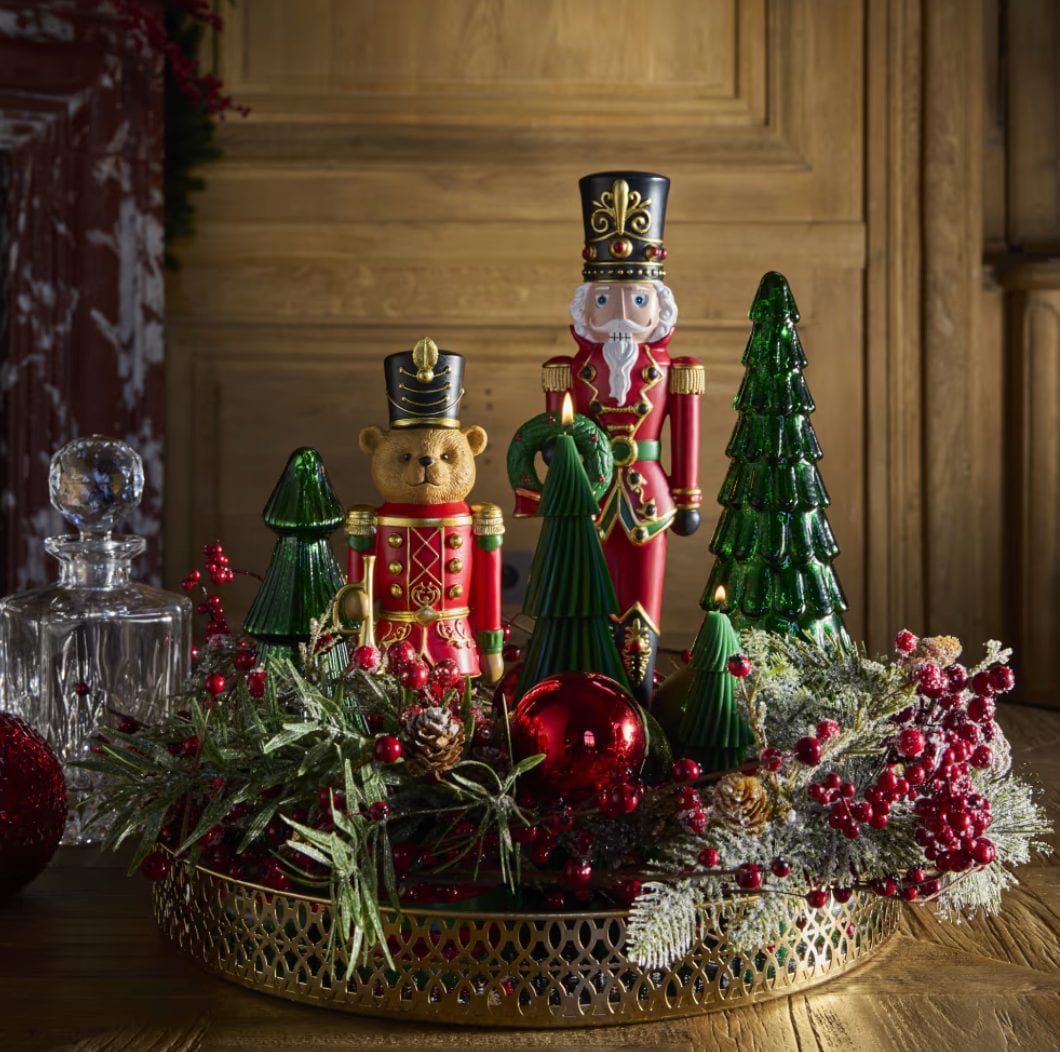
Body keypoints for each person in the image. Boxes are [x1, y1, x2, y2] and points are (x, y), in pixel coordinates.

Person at [514, 172, 704, 705]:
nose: (620, 315)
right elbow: (554, 436)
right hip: (588, 498)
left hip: (648, 498)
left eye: (636, 300)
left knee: (642, 599)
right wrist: (554, 462)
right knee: (583, 598)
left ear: (659, 307)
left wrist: (688, 497)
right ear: (585, 307)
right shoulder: (567, 369)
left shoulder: (676, 370)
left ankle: (637, 698)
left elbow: (685, 434)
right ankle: (587, 694)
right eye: (605, 300)